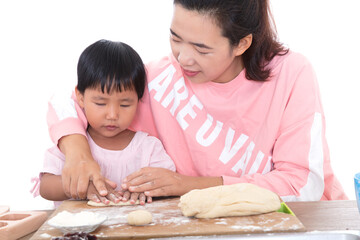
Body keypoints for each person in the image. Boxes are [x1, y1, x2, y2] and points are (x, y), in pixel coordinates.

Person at [47, 0, 347, 202]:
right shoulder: (162, 78)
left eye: (201, 49)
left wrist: (189, 186)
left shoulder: (291, 74)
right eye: (176, 38)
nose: (182, 58)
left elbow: (303, 184)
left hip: (308, 225)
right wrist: (77, 151)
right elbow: (69, 99)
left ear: (242, 43)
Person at [35, 39, 175, 207]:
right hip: (80, 231)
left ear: (139, 101)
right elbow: (45, 186)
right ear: (80, 97)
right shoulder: (70, 144)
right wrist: (82, 187)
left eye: (125, 104)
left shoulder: (149, 147)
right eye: (100, 103)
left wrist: (146, 189)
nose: (112, 115)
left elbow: (166, 183)